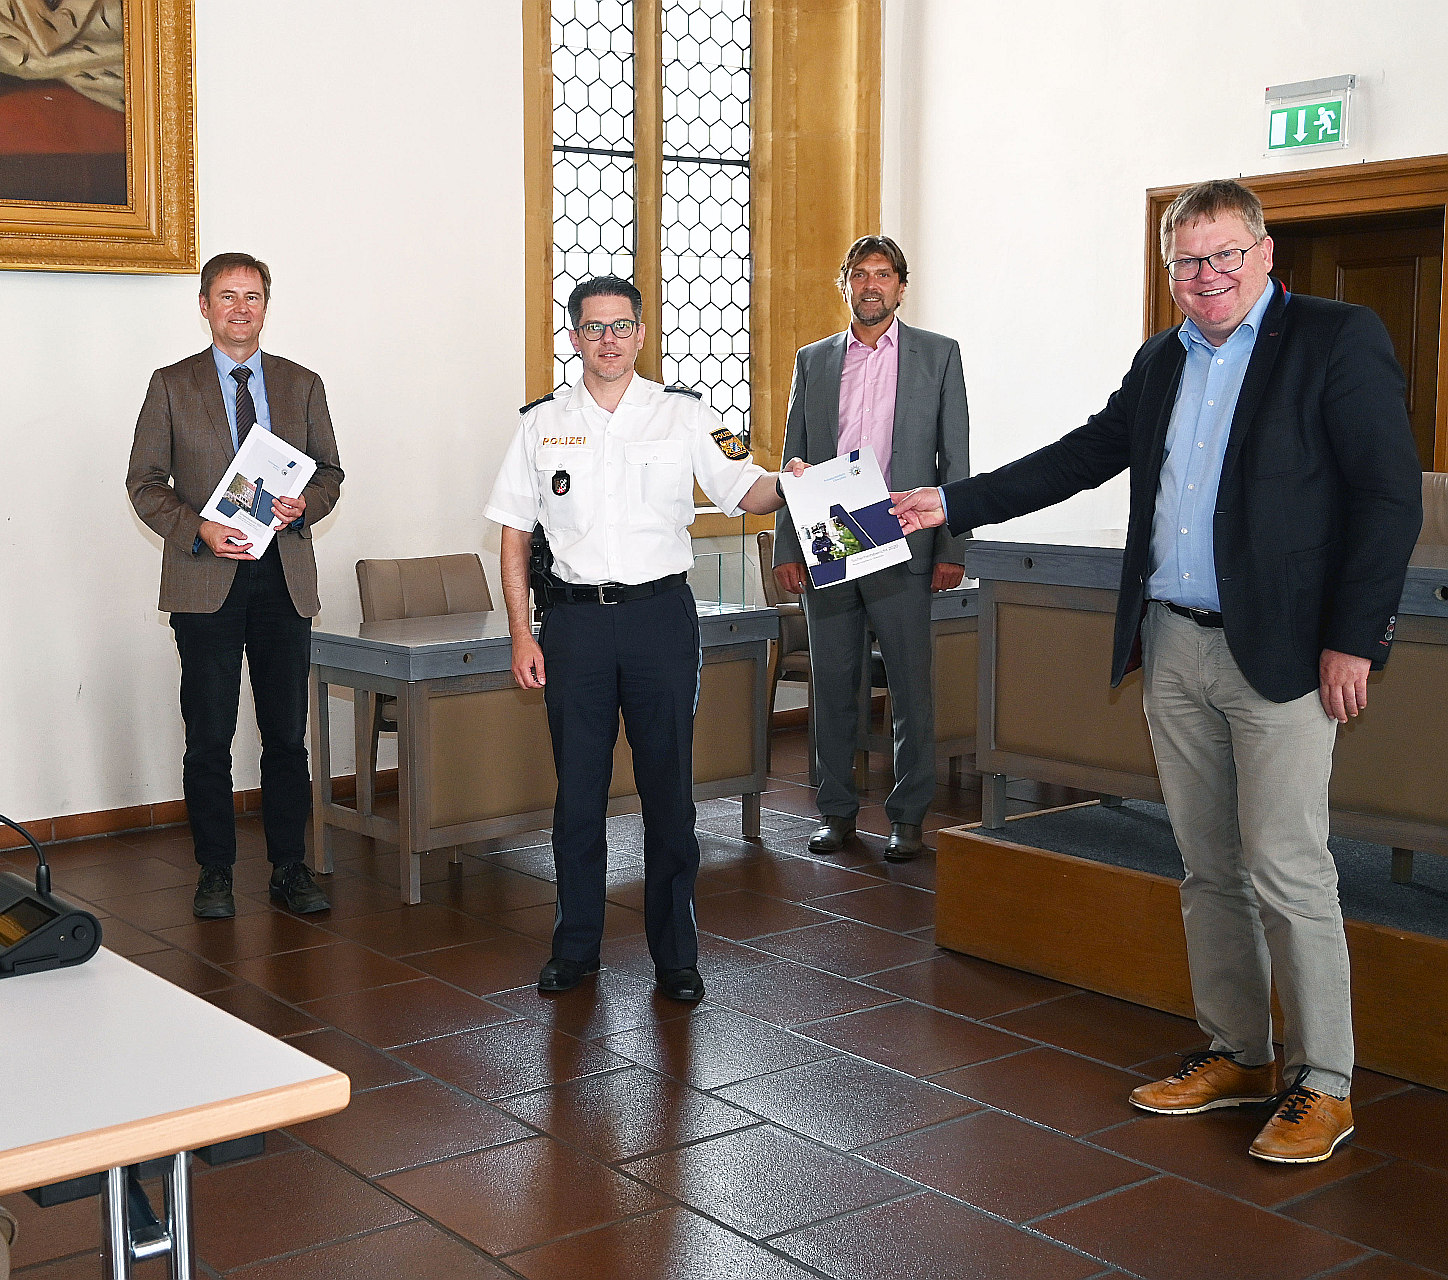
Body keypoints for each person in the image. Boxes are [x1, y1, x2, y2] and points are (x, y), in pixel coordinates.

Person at [892, 179, 1422, 1164]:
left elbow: (1388, 499)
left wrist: (1356, 636)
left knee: (1288, 862)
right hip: (1173, 643)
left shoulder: (1334, 340)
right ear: (1170, 269)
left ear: (1266, 255)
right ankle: (1240, 1049)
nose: (1208, 276)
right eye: (1189, 261)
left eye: (1226, 255)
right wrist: (953, 500)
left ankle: (1327, 1080)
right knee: (1208, 861)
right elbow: (1082, 456)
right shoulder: (1162, 358)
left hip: (1286, 652)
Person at [485, 274, 802, 1004]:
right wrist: (519, 634)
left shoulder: (681, 415)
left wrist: (791, 485)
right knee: (578, 798)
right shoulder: (541, 423)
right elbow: (513, 532)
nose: (607, 340)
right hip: (575, 626)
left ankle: (676, 954)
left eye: (620, 326)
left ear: (639, 333)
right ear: (573, 338)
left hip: (661, 620)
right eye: (592, 328)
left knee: (669, 796)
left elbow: (742, 489)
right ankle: (576, 949)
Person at [126, 252, 344, 920]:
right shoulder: (171, 384)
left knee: (286, 737)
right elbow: (144, 484)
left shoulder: (301, 384)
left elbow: (330, 474)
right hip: (206, 581)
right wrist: (199, 529)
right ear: (204, 306)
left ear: (266, 307)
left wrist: (306, 502)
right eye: (227, 297)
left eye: (253, 297)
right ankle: (214, 873)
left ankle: (289, 867)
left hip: (284, 581)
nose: (241, 308)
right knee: (210, 737)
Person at [773, 235, 970, 862]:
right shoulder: (814, 361)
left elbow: (955, 460)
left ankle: (908, 818)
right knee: (834, 682)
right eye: (860, 274)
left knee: (911, 685)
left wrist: (951, 548)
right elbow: (792, 461)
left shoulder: (938, 356)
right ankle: (835, 811)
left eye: (883, 274)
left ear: (901, 286)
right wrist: (788, 545)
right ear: (845, 285)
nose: (871, 285)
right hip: (829, 537)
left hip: (904, 537)